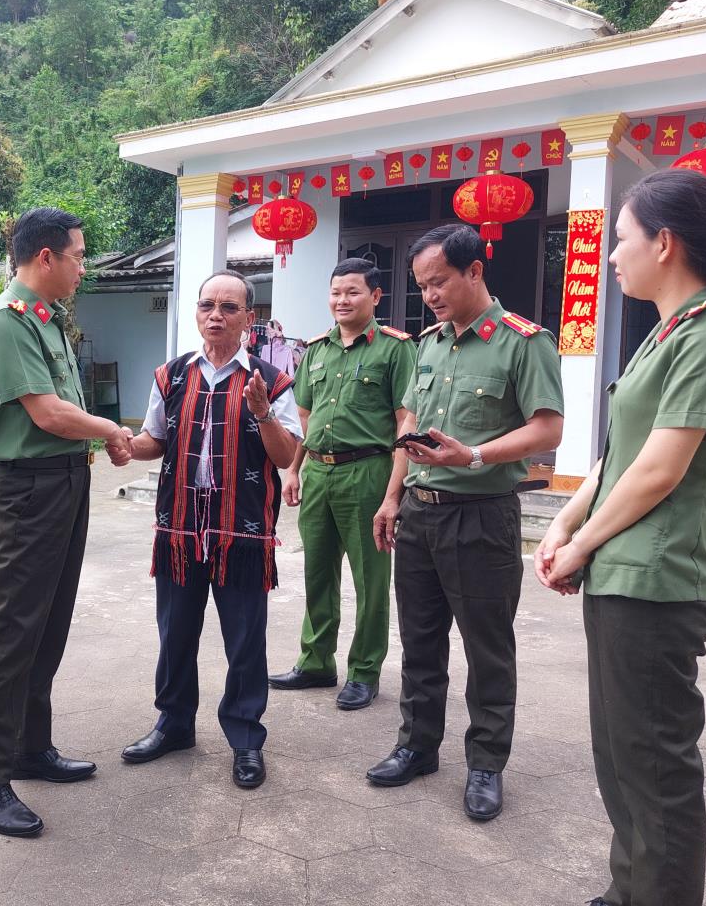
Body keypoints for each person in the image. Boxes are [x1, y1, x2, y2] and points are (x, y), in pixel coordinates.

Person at [535, 168, 706, 906]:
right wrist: (565, 521)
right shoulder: (664, 333)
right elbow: (620, 456)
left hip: (657, 581)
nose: (611, 255)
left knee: (657, 770)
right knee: (621, 757)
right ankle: (627, 891)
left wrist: (580, 545)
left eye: (622, 239)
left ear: (664, 244)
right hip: (620, 572)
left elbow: (661, 470)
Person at [368, 223, 563, 822]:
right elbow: (409, 424)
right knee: (420, 641)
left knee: (487, 648)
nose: (429, 295)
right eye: (422, 285)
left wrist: (474, 455)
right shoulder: (428, 343)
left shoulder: (524, 342)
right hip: (419, 516)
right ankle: (417, 746)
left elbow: (547, 429)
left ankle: (485, 763)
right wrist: (392, 498)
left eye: (439, 281)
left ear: (474, 271)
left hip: (482, 517)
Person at [0, 207, 134, 838]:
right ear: (45, 258)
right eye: (77, 257)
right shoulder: (6, 321)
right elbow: (47, 413)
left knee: (49, 624)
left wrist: (97, 440)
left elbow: (65, 411)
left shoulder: (47, 319)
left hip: (65, 481)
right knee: (15, 631)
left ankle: (29, 748)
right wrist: (112, 430)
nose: (82, 268)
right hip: (29, 489)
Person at [121, 269, 301, 789]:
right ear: (197, 313)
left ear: (249, 317)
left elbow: (285, 454)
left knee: (244, 640)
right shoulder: (172, 375)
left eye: (228, 307)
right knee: (175, 632)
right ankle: (174, 724)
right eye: (207, 306)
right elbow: (155, 439)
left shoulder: (272, 380)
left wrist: (263, 413)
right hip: (179, 529)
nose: (215, 316)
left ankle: (245, 738)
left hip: (240, 532)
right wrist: (124, 445)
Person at [269, 259, 415, 710]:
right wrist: (293, 469)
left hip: (367, 471)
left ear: (375, 296)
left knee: (370, 578)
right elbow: (305, 418)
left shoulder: (395, 349)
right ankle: (316, 661)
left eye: (352, 292)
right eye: (336, 292)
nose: (342, 300)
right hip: (317, 472)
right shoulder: (316, 350)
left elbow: (406, 423)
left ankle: (365, 671)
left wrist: (393, 494)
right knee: (317, 571)